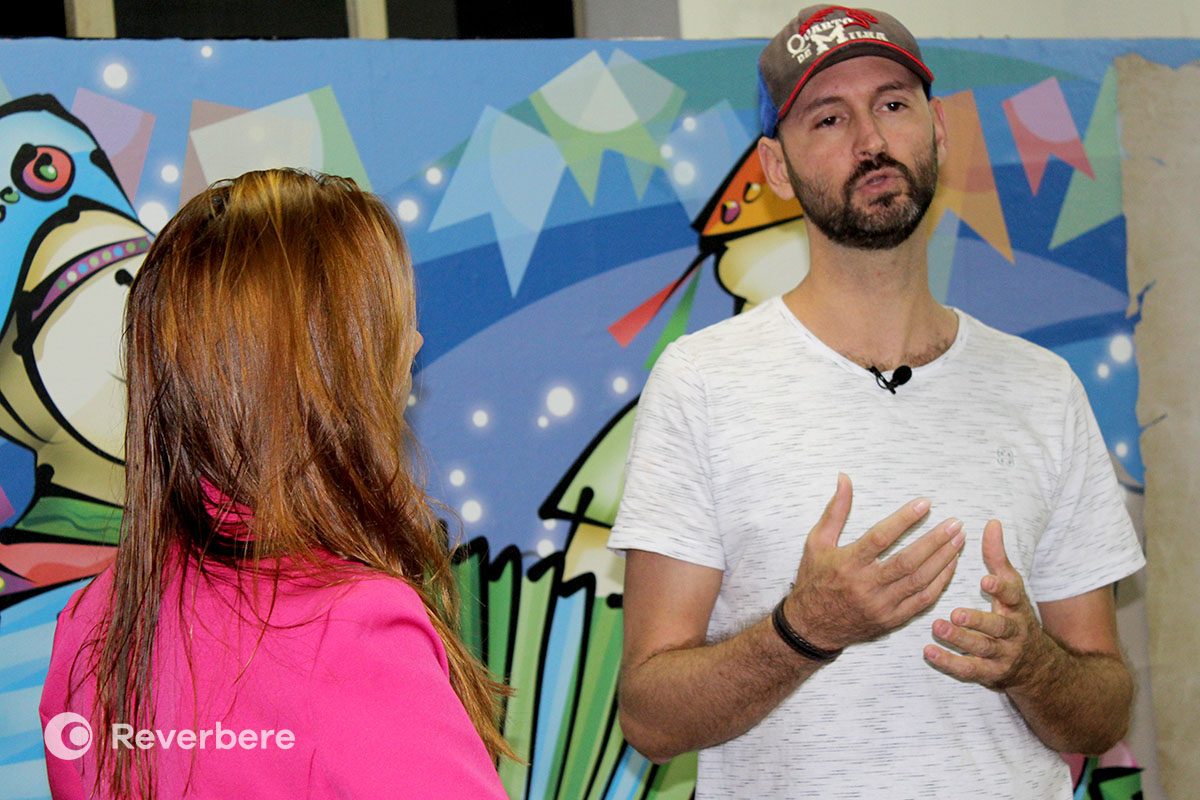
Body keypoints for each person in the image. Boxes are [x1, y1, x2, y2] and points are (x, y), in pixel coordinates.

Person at [609, 6, 1145, 798]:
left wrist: (1032, 665)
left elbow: (1104, 710)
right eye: (828, 118)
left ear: (938, 130)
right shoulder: (702, 382)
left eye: (893, 104)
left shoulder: (1043, 389)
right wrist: (804, 629)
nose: (870, 139)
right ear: (776, 168)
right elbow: (651, 719)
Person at [39, 169, 512, 799]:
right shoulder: (354, 630)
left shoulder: (94, 622)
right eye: (386, 324)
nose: (416, 344)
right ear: (328, 366)